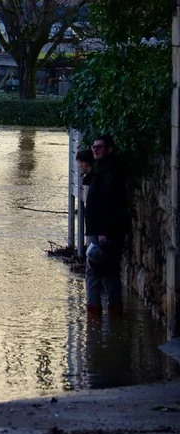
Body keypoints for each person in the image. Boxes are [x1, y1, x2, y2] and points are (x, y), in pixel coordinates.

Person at [84, 134, 129, 316]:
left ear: (109, 149)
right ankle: (115, 317)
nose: (95, 150)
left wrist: (102, 231)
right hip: (111, 230)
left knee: (93, 273)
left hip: (103, 232)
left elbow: (107, 202)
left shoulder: (107, 172)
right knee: (111, 272)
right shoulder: (108, 168)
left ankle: (93, 321)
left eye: (100, 147)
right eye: (94, 147)